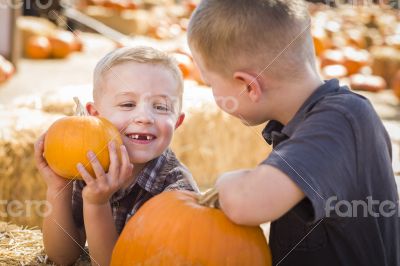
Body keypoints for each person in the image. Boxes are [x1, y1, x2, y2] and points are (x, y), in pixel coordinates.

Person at [187, 0, 400, 265]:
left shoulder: (341, 121)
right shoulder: (308, 125)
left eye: (211, 84)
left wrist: (225, 182)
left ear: (249, 86)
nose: (212, 93)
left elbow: (247, 203)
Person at [34, 46, 199, 266]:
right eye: (128, 104)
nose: (144, 117)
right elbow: (62, 257)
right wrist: (57, 187)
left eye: (160, 107)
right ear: (95, 116)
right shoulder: (89, 167)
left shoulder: (177, 192)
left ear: (177, 122)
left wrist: (96, 204)